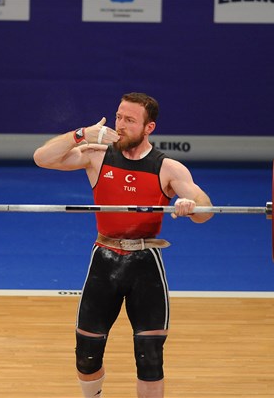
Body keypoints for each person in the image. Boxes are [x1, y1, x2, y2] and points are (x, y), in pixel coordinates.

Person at [33, 92, 213, 398]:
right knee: (86, 356)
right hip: (104, 260)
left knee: (150, 358)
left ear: (148, 128)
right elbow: (43, 158)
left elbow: (205, 211)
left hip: (145, 264)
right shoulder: (97, 154)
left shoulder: (168, 168)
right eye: (119, 117)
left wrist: (190, 205)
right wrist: (79, 135)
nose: (121, 124)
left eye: (130, 120)